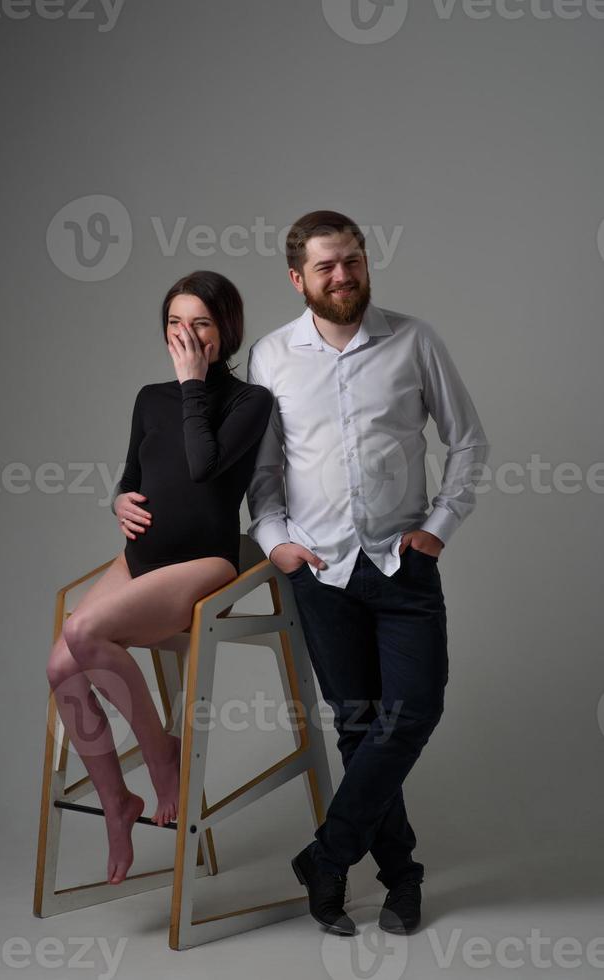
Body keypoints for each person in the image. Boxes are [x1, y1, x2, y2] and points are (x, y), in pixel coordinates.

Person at [246, 210, 490, 937]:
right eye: (326, 266)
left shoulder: (415, 340)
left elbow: (468, 442)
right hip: (319, 571)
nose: (343, 275)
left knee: (413, 710)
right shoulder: (271, 356)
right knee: (358, 727)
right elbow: (263, 472)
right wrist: (275, 541)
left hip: (402, 563)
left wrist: (439, 528)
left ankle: (328, 857)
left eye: (351, 260)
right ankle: (402, 880)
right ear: (298, 279)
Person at [46, 270, 273, 887]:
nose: (186, 336)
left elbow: (203, 469)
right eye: (175, 324)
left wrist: (194, 385)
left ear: (226, 329)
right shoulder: (150, 397)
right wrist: (118, 501)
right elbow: (132, 474)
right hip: (140, 556)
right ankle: (117, 800)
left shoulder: (250, 402)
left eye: (200, 323)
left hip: (205, 561)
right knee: (61, 667)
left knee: (85, 630)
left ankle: (160, 753)